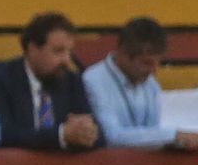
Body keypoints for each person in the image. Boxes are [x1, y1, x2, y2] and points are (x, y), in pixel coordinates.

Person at [0, 12, 100, 152]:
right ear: (32, 49)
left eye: (69, 52)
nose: (66, 60)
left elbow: (100, 137)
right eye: (58, 51)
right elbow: (2, 136)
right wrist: (61, 135)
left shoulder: (72, 81)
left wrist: (86, 132)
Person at [82, 17, 198, 152]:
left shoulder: (151, 84)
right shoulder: (93, 80)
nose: (154, 71)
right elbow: (112, 137)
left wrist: (174, 139)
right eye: (147, 63)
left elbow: (153, 133)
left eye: (158, 63)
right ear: (123, 55)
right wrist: (172, 136)